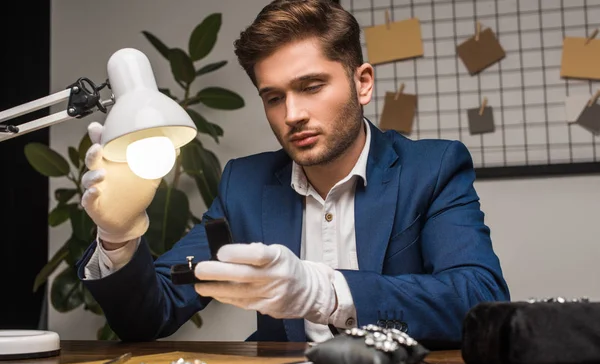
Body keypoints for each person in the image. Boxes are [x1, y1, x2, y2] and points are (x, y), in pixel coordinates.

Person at [76, 0, 510, 346]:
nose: (293, 114)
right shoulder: (243, 185)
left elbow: (480, 301)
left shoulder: (431, 169)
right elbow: (151, 316)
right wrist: (119, 236)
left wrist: (323, 291)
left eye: (311, 86)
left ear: (362, 83)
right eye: (273, 98)